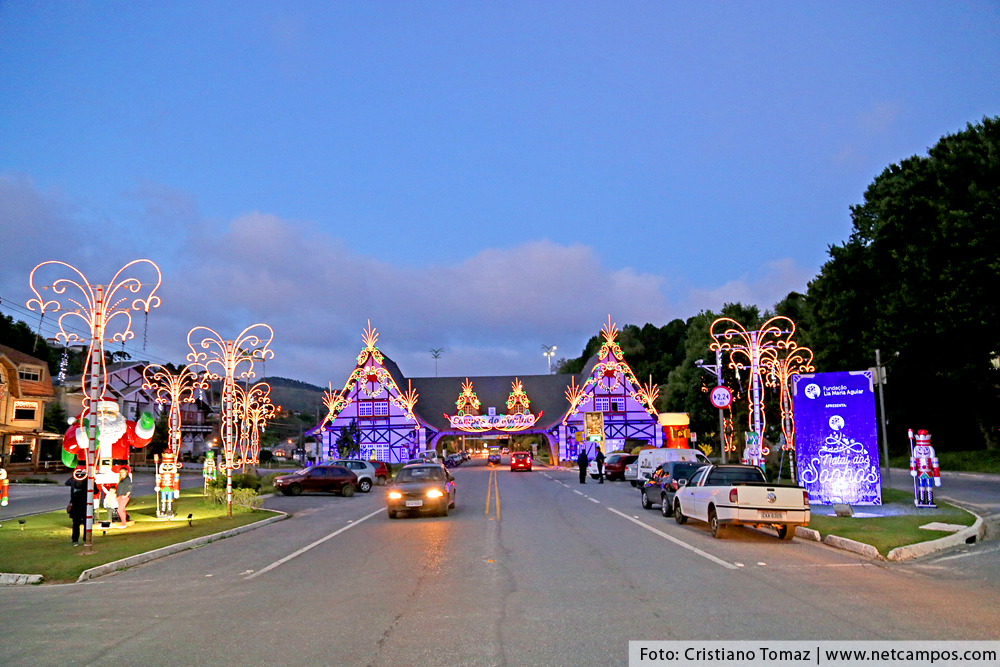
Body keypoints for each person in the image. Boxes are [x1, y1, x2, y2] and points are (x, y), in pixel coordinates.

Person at [66, 472, 88, 546]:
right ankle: (86, 538)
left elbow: (67, 483)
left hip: (76, 504)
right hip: (85, 505)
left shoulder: (73, 482)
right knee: (86, 523)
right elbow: (95, 490)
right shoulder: (87, 482)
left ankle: (75, 539)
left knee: (76, 523)